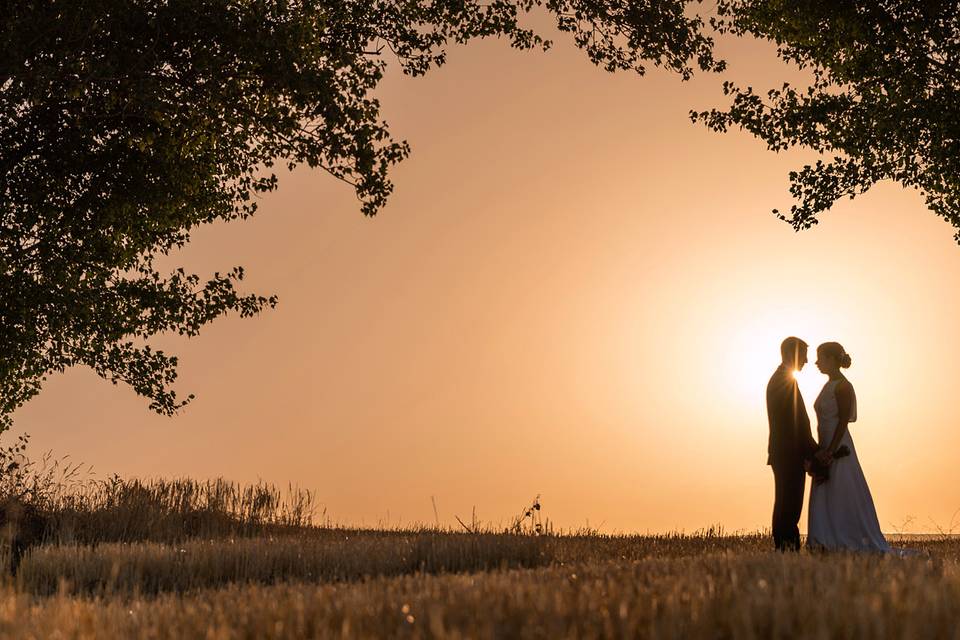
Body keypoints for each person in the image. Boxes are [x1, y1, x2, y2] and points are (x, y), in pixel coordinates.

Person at [806, 342, 890, 552]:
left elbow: (843, 420)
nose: (817, 362)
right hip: (825, 443)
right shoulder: (828, 385)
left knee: (841, 488)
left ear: (833, 360)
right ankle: (823, 539)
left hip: (838, 444)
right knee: (825, 491)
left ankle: (845, 537)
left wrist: (831, 450)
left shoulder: (843, 386)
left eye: (821, 358)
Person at [766, 337, 819, 551]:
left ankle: (786, 550)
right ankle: (787, 549)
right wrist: (813, 451)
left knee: (786, 504)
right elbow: (796, 423)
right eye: (803, 355)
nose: (806, 360)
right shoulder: (784, 381)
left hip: (785, 453)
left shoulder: (782, 379)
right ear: (790, 354)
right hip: (789, 454)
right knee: (789, 506)